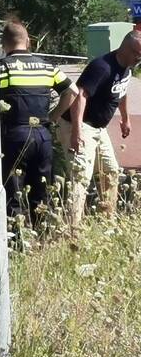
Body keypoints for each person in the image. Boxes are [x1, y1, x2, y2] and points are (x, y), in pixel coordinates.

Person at [0, 20, 77, 228]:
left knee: (13, 190)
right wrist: (53, 116)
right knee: (41, 190)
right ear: (29, 42)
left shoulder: (2, 68)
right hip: (42, 135)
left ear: (4, 44)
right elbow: (71, 92)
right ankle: (41, 236)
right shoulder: (47, 66)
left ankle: (16, 240)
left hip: (14, 135)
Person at [57, 31, 141, 227]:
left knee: (111, 171)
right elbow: (80, 97)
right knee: (80, 179)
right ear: (126, 49)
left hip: (98, 128)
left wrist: (126, 118)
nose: (139, 59)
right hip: (79, 125)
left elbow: (122, 91)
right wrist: (77, 132)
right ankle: (73, 228)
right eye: (138, 54)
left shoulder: (126, 68)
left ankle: (107, 220)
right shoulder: (102, 67)